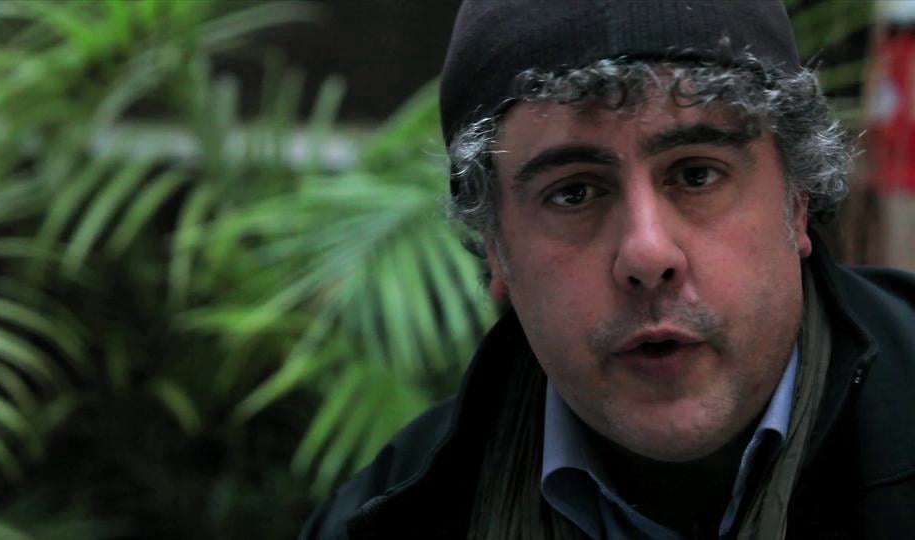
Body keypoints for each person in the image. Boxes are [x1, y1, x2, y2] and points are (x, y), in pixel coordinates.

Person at [299, 1, 915, 538]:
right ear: (496, 248)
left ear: (797, 200)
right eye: (574, 193)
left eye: (696, 174)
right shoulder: (394, 517)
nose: (647, 255)